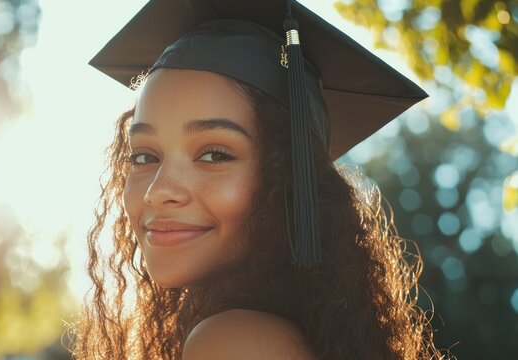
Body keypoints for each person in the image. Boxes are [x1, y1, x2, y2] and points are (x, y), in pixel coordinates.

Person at [74, 0, 448, 359]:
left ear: (286, 179)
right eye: (144, 156)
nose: (159, 192)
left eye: (214, 154)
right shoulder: (282, 332)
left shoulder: (231, 342)